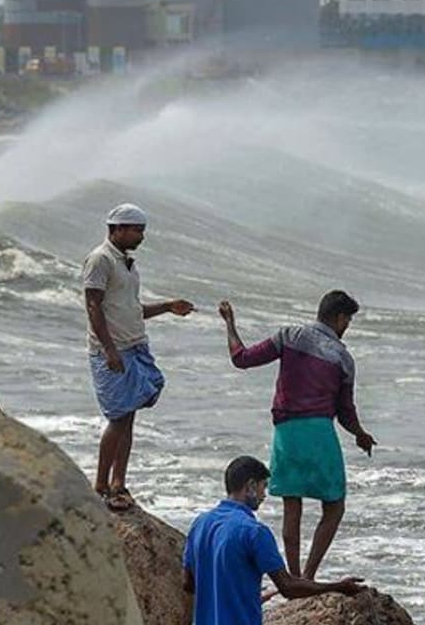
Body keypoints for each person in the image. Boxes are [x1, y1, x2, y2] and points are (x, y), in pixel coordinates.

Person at [217, 290, 376, 580]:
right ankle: (309, 576)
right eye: (348, 320)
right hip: (319, 434)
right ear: (340, 318)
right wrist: (360, 434)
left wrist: (230, 323)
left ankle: (293, 577)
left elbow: (241, 359)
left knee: (293, 505)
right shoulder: (343, 358)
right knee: (334, 505)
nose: (347, 326)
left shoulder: (289, 336)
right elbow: (345, 411)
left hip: (286, 433)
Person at [83, 203, 195, 512]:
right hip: (114, 349)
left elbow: (132, 310)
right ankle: (101, 486)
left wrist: (168, 306)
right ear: (116, 229)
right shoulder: (100, 260)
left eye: (142, 230)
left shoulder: (127, 264)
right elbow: (93, 306)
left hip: (134, 346)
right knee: (118, 418)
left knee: (129, 417)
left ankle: (119, 483)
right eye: (136, 230)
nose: (141, 236)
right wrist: (109, 349)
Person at [182, 456, 364, 625]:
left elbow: (188, 584)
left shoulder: (200, 524)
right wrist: (339, 587)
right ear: (251, 486)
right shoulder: (254, 532)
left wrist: (242, 595)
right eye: (263, 486)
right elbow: (288, 587)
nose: (264, 495)